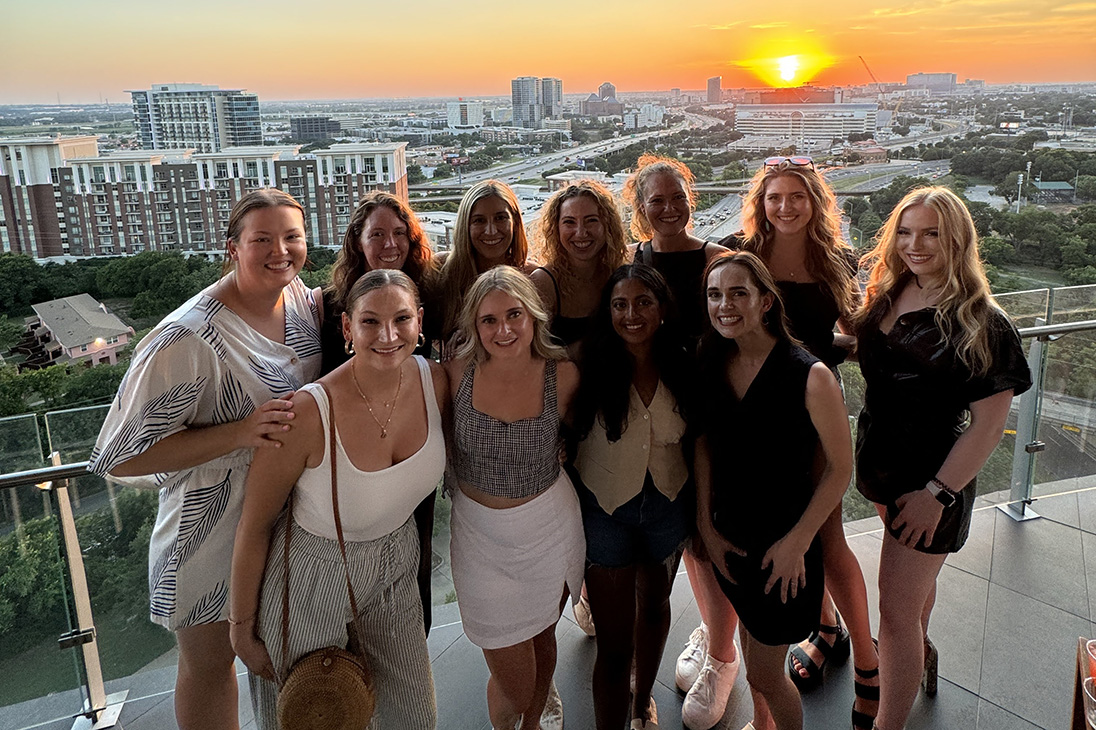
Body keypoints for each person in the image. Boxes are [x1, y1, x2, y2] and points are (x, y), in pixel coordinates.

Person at [89, 189, 322, 730]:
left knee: (283, 663)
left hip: (287, 527)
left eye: (291, 237)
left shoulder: (302, 304)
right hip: (207, 534)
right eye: (261, 239)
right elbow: (118, 457)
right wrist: (239, 433)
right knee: (211, 668)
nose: (280, 251)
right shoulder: (187, 337)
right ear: (232, 248)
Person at [230, 269, 444, 729]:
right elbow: (255, 524)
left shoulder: (436, 383)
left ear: (420, 321)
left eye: (402, 319)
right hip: (311, 574)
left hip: (397, 563)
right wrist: (240, 628)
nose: (387, 335)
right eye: (370, 322)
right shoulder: (307, 413)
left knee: (413, 717)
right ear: (347, 328)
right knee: (316, 713)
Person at [852, 187, 1031, 730]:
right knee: (913, 594)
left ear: (957, 238)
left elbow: (990, 425)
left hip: (932, 482)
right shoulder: (890, 292)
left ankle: (889, 723)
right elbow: (876, 354)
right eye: (905, 232)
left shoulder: (981, 321)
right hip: (884, 469)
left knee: (896, 614)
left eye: (931, 233)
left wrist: (937, 495)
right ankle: (921, 661)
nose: (915, 244)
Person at [727, 156, 877, 729]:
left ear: (815, 202)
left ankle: (867, 662)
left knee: (826, 536)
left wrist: (827, 355)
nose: (784, 207)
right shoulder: (743, 253)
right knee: (777, 529)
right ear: (760, 202)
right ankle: (827, 628)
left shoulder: (833, 260)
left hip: (811, 408)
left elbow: (857, 332)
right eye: (773, 197)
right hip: (753, 412)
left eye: (796, 197)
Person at [696, 251, 852, 730]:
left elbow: (841, 469)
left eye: (738, 293)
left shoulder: (810, 375)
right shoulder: (711, 358)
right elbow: (702, 444)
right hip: (731, 539)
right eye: (715, 294)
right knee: (750, 645)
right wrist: (706, 525)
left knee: (765, 672)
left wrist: (798, 543)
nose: (725, 304)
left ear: (766, 301)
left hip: (783, 548)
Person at [622, 154, 737, 730]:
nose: (668, 209)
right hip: (662, 419)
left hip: (714, 412)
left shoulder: (717, 259)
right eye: (655, 202)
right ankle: (716, 633)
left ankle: (724, 656)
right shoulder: (635, 264)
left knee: (716, 530)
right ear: (640, 211)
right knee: (688, 533)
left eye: (676, 197)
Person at [445, 266, 583, 730]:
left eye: (514, 315)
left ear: (533, 317)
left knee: (543, 634)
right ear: (474, 325)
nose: (503, 329)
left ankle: (529, 724)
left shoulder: (562, 376)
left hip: (548, 531)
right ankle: (521, 712)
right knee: (515, 684)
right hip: (480, 539)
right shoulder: (455, 373)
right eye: (489, 320)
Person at [567, 264, 695, 730]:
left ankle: (642, 703)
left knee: (657, 604)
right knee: (615, 645)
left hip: (668, 505)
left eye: (643, 302)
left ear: (662, 308)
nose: (631, 314)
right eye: (619, 305)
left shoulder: (684, 362)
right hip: (604, 511)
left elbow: (697, 442)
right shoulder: (587, 363)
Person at [319, 190, 439, 633]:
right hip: (351, 454)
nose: (391, 244)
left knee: (416, 549)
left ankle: (411, 643)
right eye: (377, 235)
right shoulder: (330, 306)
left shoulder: (429, 295)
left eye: (400, 233)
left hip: (412, 443)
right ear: (357, 242)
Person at [436, 180, 537, 352]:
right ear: (465, 226)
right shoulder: (441, 271)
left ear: (515, 222)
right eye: (479, 220)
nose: (491, 230)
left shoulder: (533, 277)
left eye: (500, 218)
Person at [531, 180, 628, 352]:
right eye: (569, 222)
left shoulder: (618, 274)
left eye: (591, 220)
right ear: (556, 228)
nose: (581, 232)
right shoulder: (544, 283)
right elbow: (533, 355)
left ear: (607, 226)